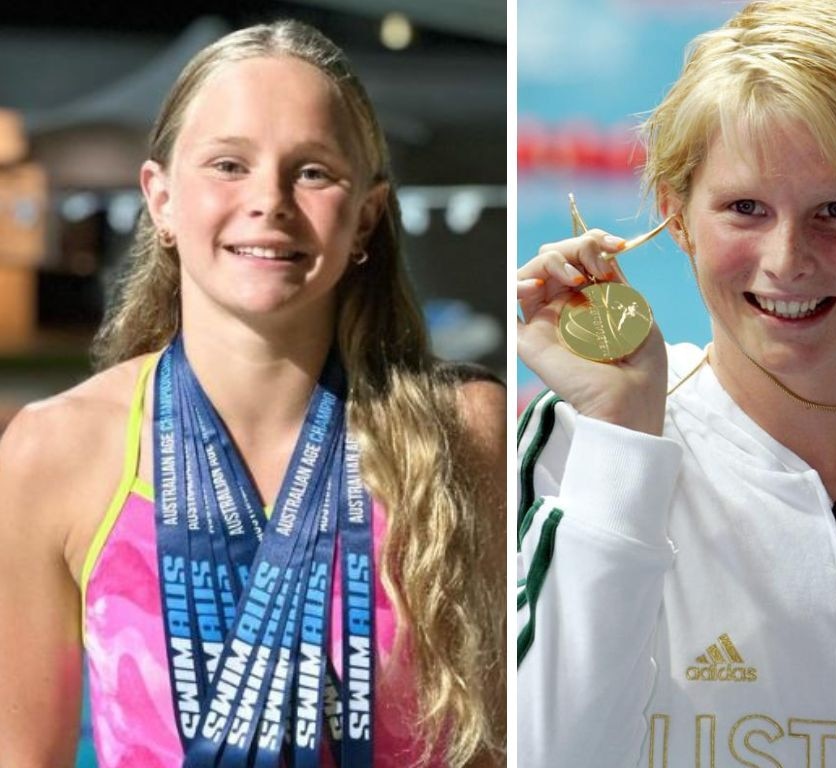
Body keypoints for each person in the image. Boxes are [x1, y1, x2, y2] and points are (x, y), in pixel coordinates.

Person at [516, 1, 836, 765]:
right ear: (676, 217)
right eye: (745, 208)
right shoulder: (583, 449)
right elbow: (550, 751)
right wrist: (623, 437)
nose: (787, 258)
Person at [0, 20, 505, 768]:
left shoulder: (463, 431)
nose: (269, 200)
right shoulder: (56, 449)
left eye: (313, 171)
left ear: (366, 214)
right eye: (229, 164)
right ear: (162, 200)